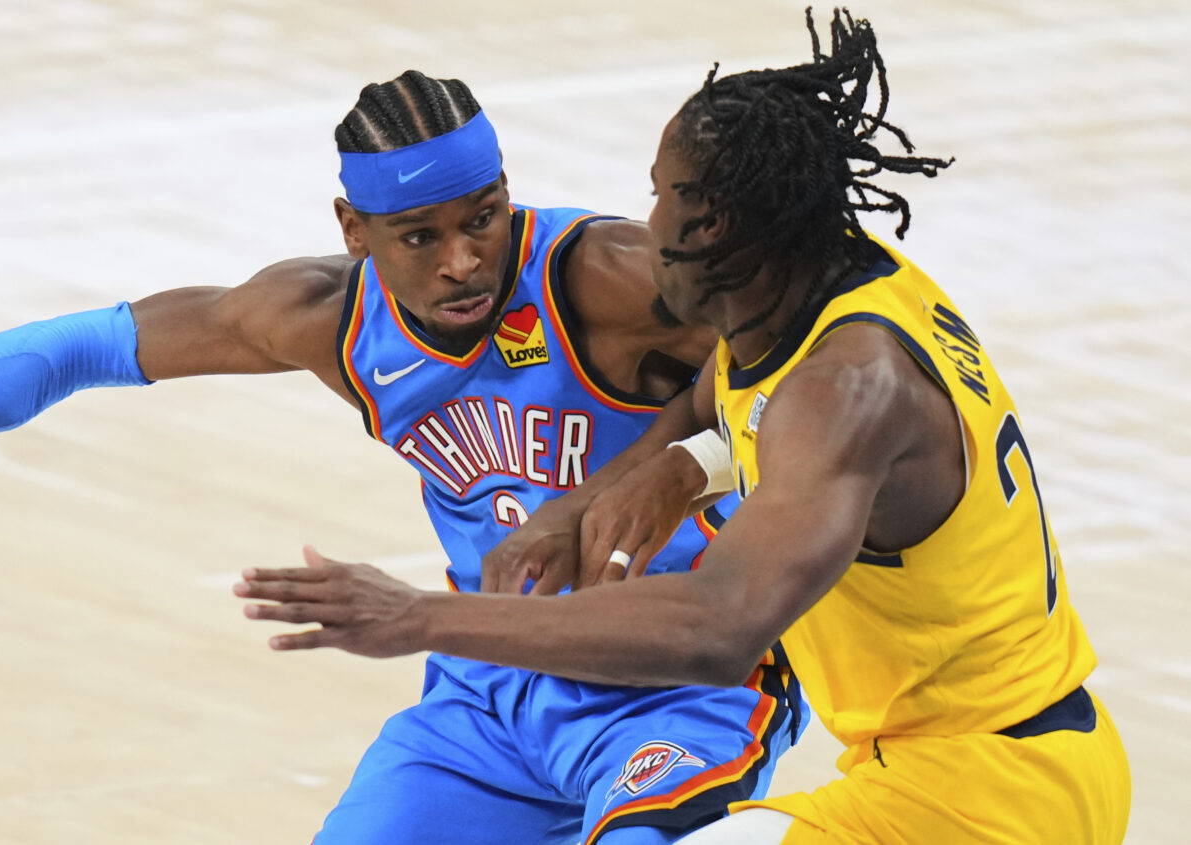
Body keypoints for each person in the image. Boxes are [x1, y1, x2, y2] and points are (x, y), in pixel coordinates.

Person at [0, 71, 805, 844]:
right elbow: (80, 348)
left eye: (483, 219)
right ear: (354, 228)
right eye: (420, 236)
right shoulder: (328, 322)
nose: (466, 258)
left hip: (678, 685)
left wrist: (673, 463)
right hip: (495, 689)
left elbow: (801, 354)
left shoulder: (605, 277)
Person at [235, 11, 1134, 844]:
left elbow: (719, 628)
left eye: (661, 195)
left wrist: (424, 617)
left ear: (715, 223)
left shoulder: (844, 387)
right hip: (947, 763)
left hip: (991, 794)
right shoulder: (821, 285)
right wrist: (649, 475)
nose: (647, 219)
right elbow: (721, 399)